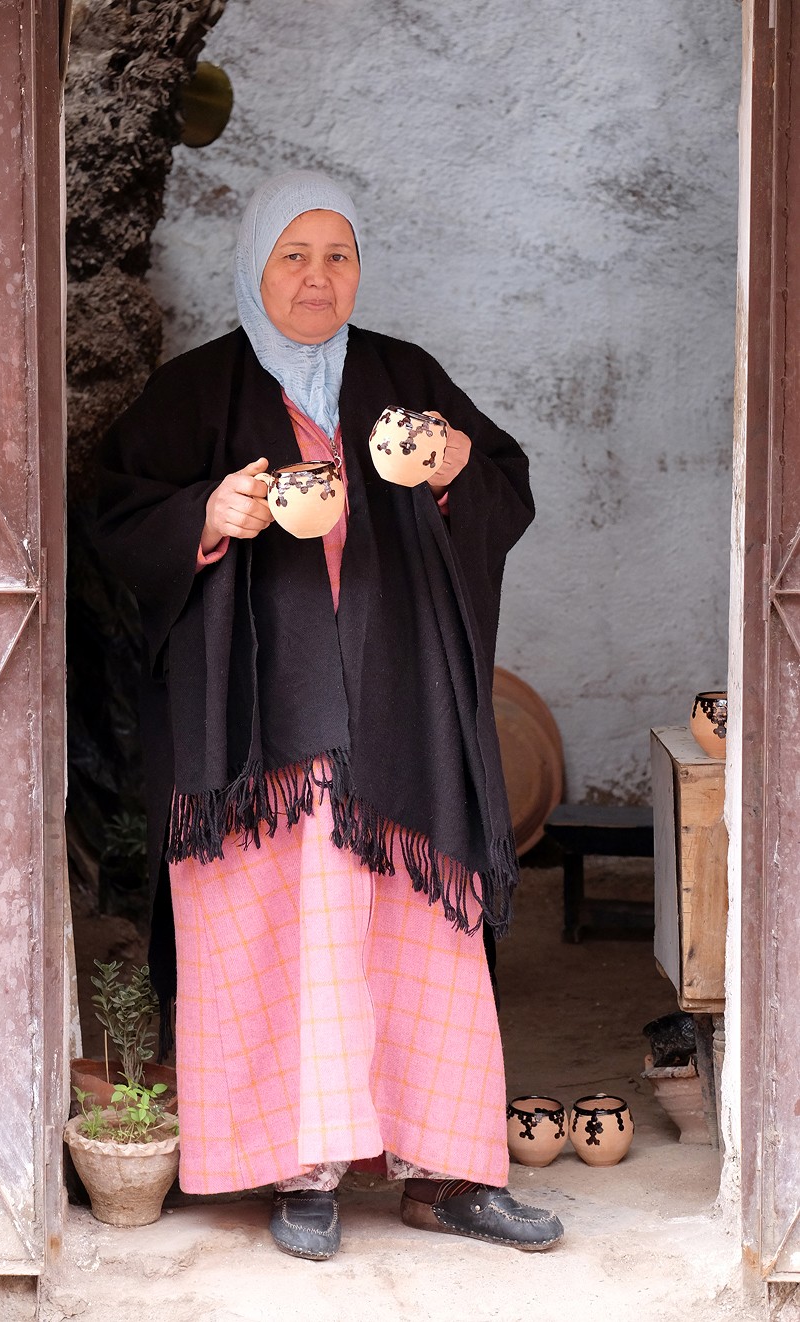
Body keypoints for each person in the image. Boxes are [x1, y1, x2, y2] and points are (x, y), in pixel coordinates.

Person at [95, 170, 563, 1261]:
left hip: (401, 710)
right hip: (259, 730)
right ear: (256, 266)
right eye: (294, 256)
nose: (318, 278)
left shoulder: (403, 377)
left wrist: (452, 467)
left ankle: (445, 1170)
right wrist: (205, 514)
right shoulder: (194, 392)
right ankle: (299, 1171)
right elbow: (114, 515)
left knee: (421, 929)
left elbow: (503, 483)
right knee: (286, 934)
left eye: (338, 256)